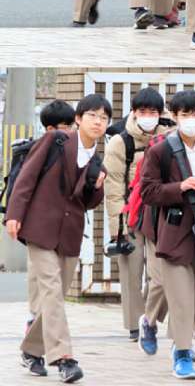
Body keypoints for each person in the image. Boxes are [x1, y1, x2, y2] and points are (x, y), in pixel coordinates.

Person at [5, 93, 111, 383]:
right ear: (78, 119)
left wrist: (97, 187)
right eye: (92, 115)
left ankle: (31, 351)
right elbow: (27, 176)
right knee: (51, 291)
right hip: (40, 228)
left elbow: (88, 203)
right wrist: (14, 214)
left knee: (55, 297)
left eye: (103, 118)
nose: (98, 122)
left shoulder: (97, 163)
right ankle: (64, 358)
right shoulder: (55, 141)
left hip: (69, 235)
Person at [141, 90, 195, 379]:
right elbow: (148, 192)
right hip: (174, 234)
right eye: (186, 114)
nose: (192, 119)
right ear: (175, 116)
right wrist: (179, 188)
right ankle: (182, 353)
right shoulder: (161, 150)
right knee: (181, 300)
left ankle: (182, 340)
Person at [103, 87, 169, 343]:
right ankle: (133, 324)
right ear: (134, 112)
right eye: (143, 111)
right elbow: (113, 189)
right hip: (130, 215)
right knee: (131, 273)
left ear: (160, 113)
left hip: (159, 214)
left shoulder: (170, 138)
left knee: (161, 273)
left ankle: (149, 319)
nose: (148, 116)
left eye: (153, 111)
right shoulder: (121, 142)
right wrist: (117, 228)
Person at [25, 100, 76, 335]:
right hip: (38, 226)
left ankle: (36, 325)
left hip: (63, 226)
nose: (70, 131)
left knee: (52, 282)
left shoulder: (75, 151)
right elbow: (24, 186)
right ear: (49, 129)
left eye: (71, 126)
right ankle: (34, 319)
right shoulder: (40, 149)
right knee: (41, 278)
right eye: (65, 126)